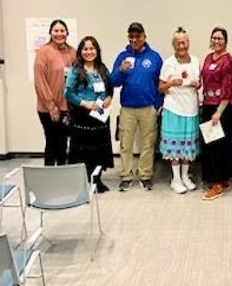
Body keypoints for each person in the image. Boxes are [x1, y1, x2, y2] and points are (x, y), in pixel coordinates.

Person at [109, 22, 163, 192]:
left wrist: (158, 105)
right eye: (131, 36)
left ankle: (145, 175)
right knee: (126, 143)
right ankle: (126, 176)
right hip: (127, 109)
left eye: (138, 36)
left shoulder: (154, 57)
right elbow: (113, 82)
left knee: (148, 143)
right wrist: (120, 70)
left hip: (148, 108)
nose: (134, 39)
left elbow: (161, 83)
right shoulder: (123, 56)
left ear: (144, 37)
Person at [64, 36, 113, 193]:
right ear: (80, 51)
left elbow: (109, 89)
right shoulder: (75, 71)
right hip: (82, 117)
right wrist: (85, 104)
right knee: (83, 151)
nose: (89, 52)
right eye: (85, 49)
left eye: (92, 48)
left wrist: (108, 98)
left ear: (97, 51)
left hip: (100, 115)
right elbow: (68, 93)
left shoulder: (102, 69)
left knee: (99, 150)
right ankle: (83, 182)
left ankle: (97, 180)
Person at [156, 27, 201, 195]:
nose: (181, 46)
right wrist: (170, 83)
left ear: (188, 43)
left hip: (191, 108)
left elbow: (199, 83)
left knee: (187, 146)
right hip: (173, 108)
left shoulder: (195, 60)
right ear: (173, 45)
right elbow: (160, 88)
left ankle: (185, 177)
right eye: (178, 43)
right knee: (175, 147)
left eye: (184, 42)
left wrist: (197, 84)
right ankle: (175, 179)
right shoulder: (168, 63)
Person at [200, 27, 232, 200]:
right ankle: (219, 178)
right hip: (208, 105)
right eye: (214, 38)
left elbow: (228, 87)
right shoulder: (208, 58)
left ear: (226, 41)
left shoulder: (228, 61)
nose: (216, 41)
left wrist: (218, 112)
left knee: (219, 147)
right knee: (211, 146)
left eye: (220, 39)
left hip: (222, 109)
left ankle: (218, 183)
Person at [33, 19, 75, 167]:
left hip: (67, 107)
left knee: (63, 143)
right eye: (56, 31)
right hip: (47, 109)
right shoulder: (43, 52)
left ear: (67, 33)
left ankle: (62, 176)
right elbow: (40, 82)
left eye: (62, 31)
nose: (59, 34)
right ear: (50, 33)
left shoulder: (73, 52)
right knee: (52, 142)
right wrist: (51, 106)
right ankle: (49, 177)